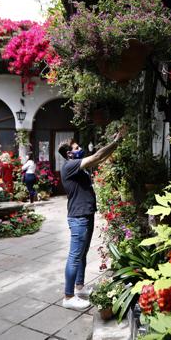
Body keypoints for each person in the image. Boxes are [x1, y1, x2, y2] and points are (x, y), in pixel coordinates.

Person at [58, 129, 125, 310]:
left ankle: (79, 287)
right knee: (74, 256)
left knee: (82, 254)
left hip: (85, 214)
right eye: (76, 147)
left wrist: (113, 145)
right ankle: (68, 296)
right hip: (78, 217)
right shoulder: (69, 165)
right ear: (69, 153)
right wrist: (117, 142)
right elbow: (96, 156)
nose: (80, 149)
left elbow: (100, 158)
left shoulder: (76, 166)